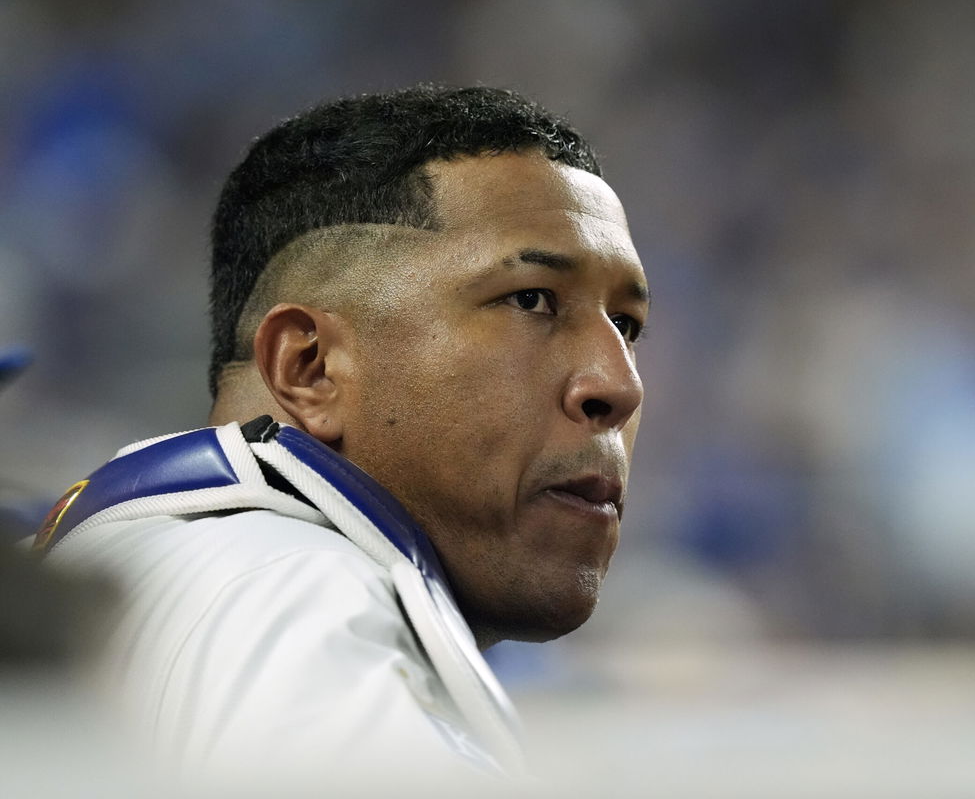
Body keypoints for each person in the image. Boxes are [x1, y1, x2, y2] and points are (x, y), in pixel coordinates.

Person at [33, 85, 650, 782]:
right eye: (530, 300)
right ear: (310, 367)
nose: (618, 385)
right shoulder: (297, 594)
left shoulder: (159, 556)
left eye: (626, 326)